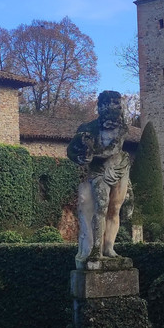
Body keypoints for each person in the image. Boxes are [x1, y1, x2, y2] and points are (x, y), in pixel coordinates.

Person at [67, 91, 132, 265]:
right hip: (99, 172)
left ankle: (109, 248)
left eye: (117, 103)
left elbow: (113, 149)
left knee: (115, 209)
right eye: (109, 103)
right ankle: (96, 249)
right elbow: (71, 150)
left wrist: (90, 155)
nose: (114, 106)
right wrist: (80, 157)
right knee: (101, 208)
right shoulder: (87, 128)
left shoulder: (123, 127)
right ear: (100, 106)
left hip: (119, 168)